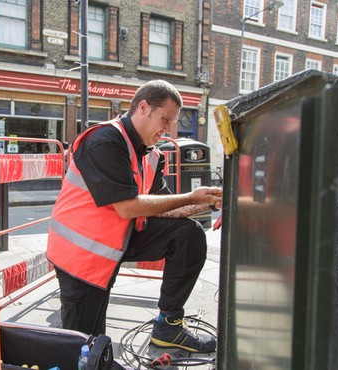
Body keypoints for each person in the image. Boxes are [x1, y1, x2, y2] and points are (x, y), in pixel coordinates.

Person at [47, 80, 222, 353]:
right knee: (86, 347)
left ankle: (168, 326)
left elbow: (164, 207)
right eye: (165, 119)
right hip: (80, 254)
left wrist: (209, 202)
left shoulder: (151, 155)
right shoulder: (104, 140)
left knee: (188, 234)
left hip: (117, 240)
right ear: (143, 107)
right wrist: (192, 197)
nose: (168, 129)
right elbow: (126, 207)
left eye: (171, 123)